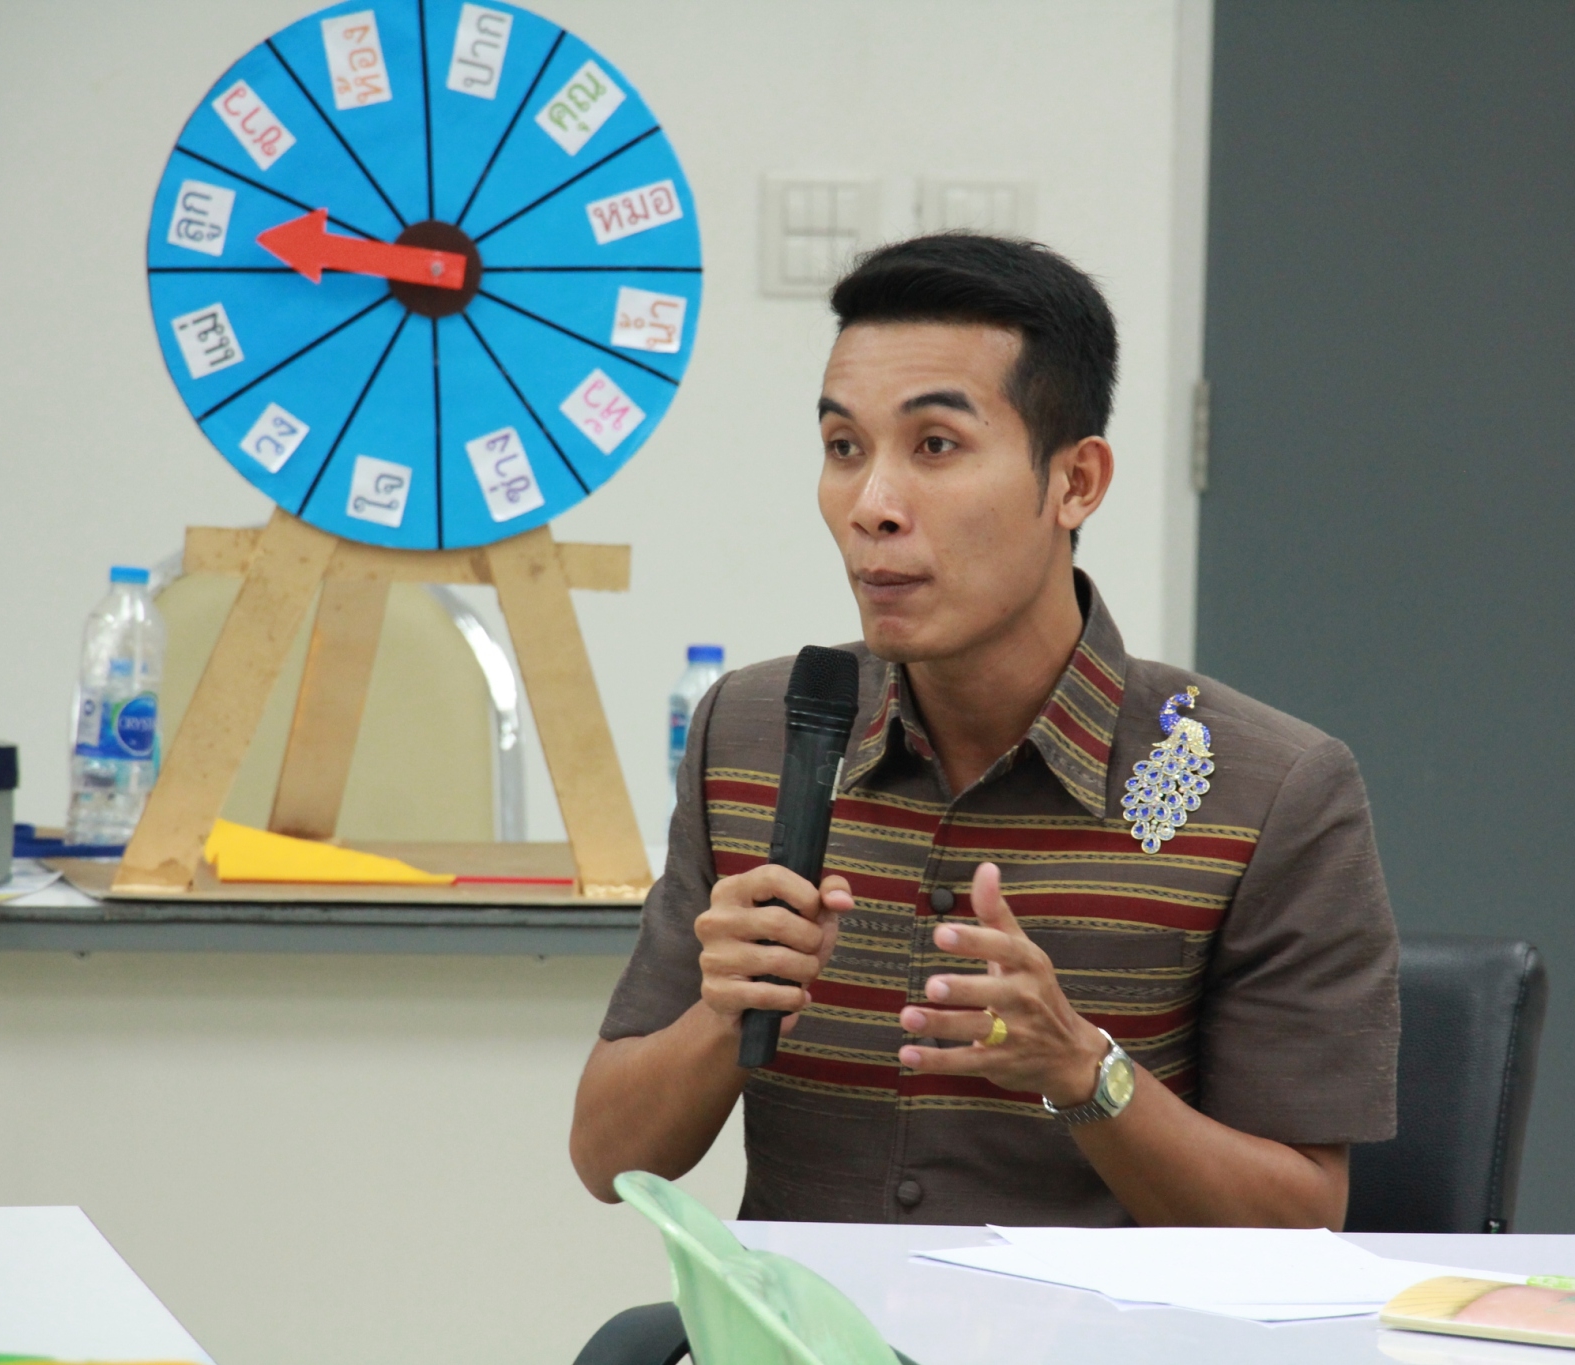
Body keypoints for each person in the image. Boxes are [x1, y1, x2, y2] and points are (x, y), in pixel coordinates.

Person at [571, 232, 1398, 1228]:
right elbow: (608, 1158)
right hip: (798, 1315)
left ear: (1075, 482)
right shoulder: (752, 735)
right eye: (844, 448)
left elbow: (1302, 1218)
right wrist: (722, 1016)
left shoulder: (1268, 791)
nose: (872, 506)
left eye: (935, 446)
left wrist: (1083, 1070)